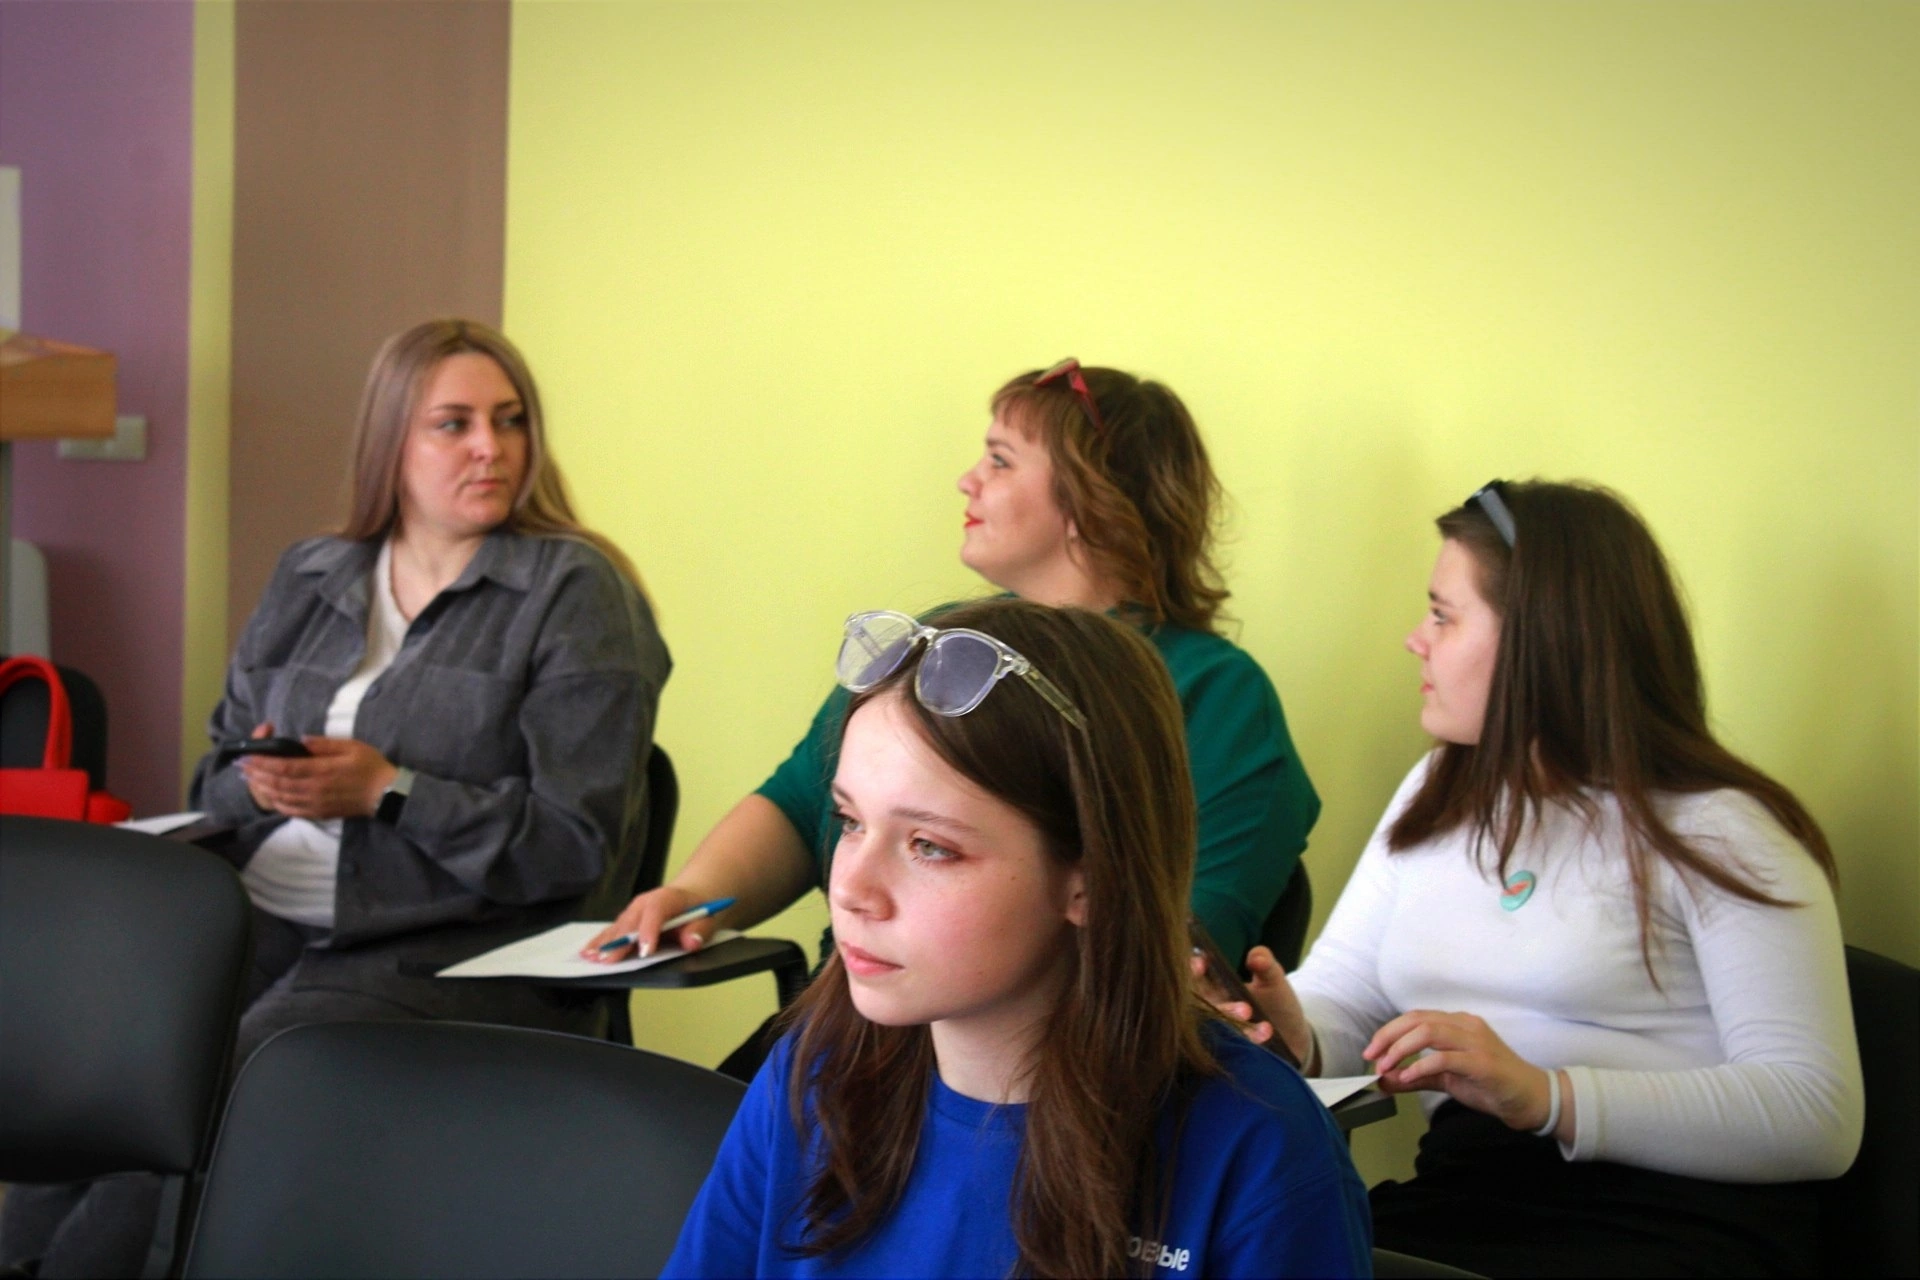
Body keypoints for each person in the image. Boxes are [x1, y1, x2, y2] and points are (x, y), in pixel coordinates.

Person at [0, 319, 669, 1276]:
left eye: (511, 419)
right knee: (99, 1058)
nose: (490, 447)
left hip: (442, 949)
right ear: (391, 441)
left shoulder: (574, 591)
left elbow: (576, 848)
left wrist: (389, 791)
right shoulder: (313, 572)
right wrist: (264, 779)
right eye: (454, 423)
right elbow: (212, 778)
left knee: (216, 1081)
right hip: (255, 916)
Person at [588, 360, 1318, 1061]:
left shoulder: (1217, 695)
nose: (968, 480)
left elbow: (1174, 940)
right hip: (851, 1029)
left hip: (1051, 1060)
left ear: (1091, 497)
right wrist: (693, 894)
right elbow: (799, 803)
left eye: (1000, 460)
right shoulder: (936, 641)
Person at [1229, 480, 1862, 1277]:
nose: (1414, 640)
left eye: (1443, 615)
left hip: (1665, 1225)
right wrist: (1293, 1030)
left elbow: (1816, 1115)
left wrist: (1546, 1095)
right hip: (1471, 1198)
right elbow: (1349, 996)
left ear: (1542, 639)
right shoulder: (1439, 790)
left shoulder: (1719, 829)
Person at [663, 598, 1371, 1279]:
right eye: (850, 823)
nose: (849, 889)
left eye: (930, 846)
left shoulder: (1256, 1148)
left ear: (1091, 878)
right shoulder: (811, 1076)